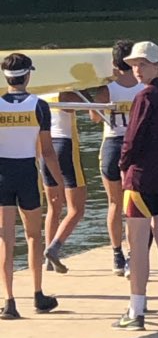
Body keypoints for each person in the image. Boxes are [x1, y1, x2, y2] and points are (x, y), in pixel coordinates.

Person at [113, 41, 158, 331]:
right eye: (134, 64)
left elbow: (133, 137)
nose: (136, 70)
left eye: (142, 64)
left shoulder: (146, 96)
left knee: (138, 245)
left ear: (156, 65)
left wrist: (123, 162)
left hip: (141, 178)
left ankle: (136, 310)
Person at [0, 53, 62, 319]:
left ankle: (8, 301)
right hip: (26, 172)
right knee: (34, 236)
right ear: (28, 76)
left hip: (1, 173)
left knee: (6, 240)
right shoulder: (39, 105)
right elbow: (47, 151)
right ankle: (38, 295)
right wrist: (58, 182)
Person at [90, 41, 145, 274]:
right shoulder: (143, 88)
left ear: (114, 63)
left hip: (112, 145)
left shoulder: (107, 90)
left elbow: (94, 116)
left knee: (114, 202)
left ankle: (116, 253)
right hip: (137, 146)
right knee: (136, 204)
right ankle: (135, 253)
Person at [40, 88, 87, 274]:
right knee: (76, 208)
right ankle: (54, 247)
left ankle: (49, 260)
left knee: (54, 206)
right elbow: (93, 112)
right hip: (64, 146)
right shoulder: (66, 93)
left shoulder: (39, 93)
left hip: (45, 148)